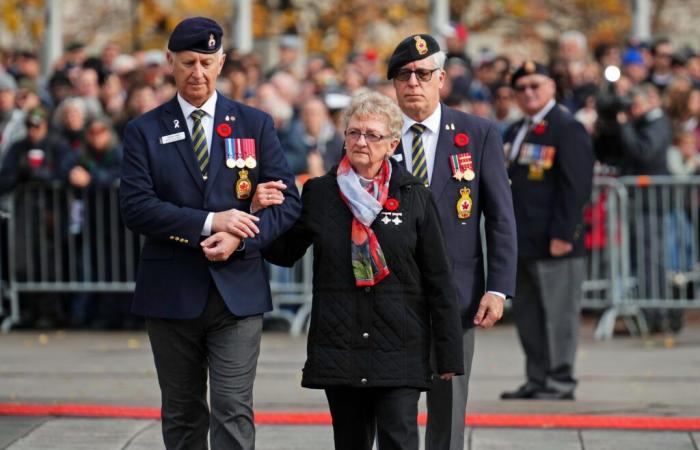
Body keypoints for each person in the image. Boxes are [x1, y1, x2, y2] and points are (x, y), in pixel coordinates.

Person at [119, 17, 301, 450]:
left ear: (221, 63)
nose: (197, 73)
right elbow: (136, 207)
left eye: (206, 62)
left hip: (236, 292)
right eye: (187, 63)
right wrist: (211, 221)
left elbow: (288, 202)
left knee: (232, 408)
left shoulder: (254, 124)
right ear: (170, 63)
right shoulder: (144, 130)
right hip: (171, 291)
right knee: (182, 413)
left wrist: (242, 235)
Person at [261, 91, 464, 450]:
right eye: (353, 132)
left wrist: (447, 354)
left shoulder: (413, 194)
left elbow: (439, 279)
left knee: (399, 441)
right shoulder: (322, 193)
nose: (360, 142)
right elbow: (284, 251)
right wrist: (262, 210)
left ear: (392, 143)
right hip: (341, 347)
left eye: (372, 135)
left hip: (400, 347)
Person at [388, 34, 517, 450]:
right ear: (393, 84)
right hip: (389, 292)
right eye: (404, 75)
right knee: (393, 407)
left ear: (441, 79)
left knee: (447, 409)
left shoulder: (476, 133)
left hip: (455, 295)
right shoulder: (375, 131)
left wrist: (497, 289)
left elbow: (499, 217)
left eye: (423, 74)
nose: (413, 83)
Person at [502, 61, 594, 400]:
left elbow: (576, 187)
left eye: (535, 85)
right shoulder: (516, 130)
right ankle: (537, 377)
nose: (528, 92)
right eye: (521, 87)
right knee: (529, 316)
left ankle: (559, 380)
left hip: (555, 242)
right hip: (522, 242)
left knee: (559, 317)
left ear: (552, 87)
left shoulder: (566, 128)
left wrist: (563, 235)